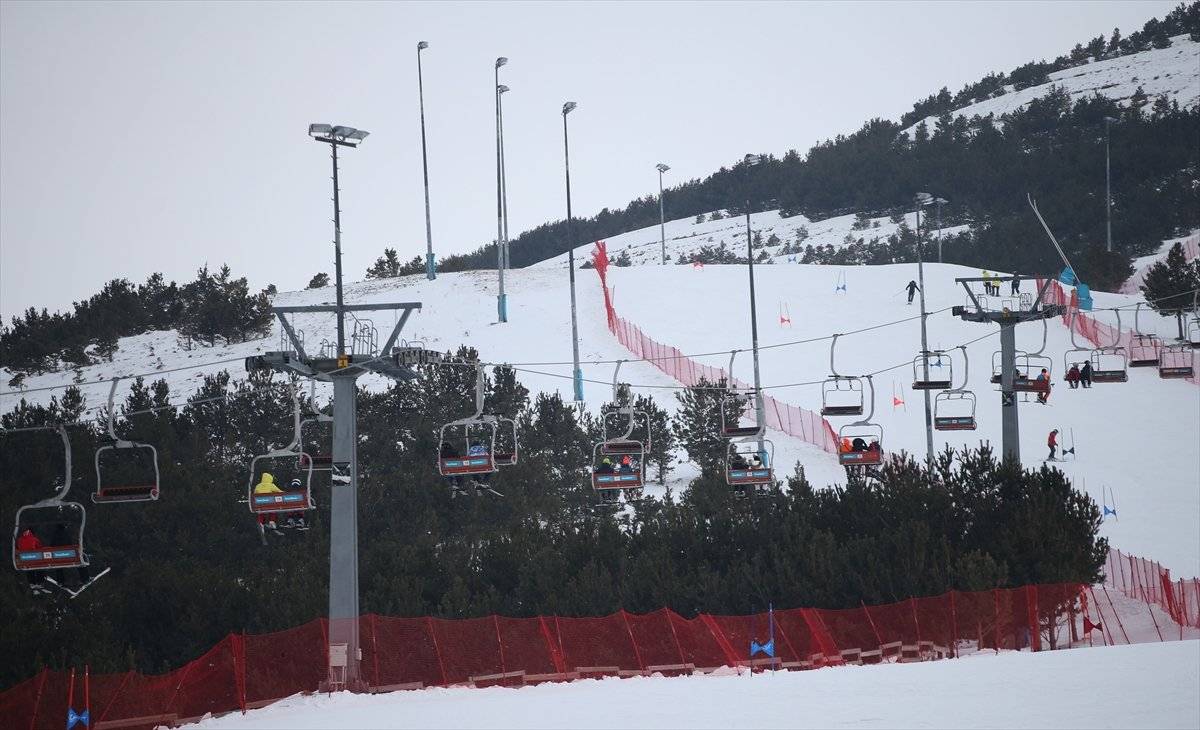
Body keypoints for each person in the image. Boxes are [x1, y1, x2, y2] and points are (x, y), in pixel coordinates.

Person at [16, 528, 47, 594]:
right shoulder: (34, 539)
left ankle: (32, 583)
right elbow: (40, 547)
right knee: (40, 567)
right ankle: (40, 582)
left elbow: (18, 547)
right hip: (34, 558)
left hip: (24, 560)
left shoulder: (20, 539)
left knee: (29, 569)